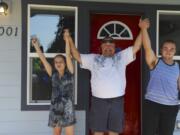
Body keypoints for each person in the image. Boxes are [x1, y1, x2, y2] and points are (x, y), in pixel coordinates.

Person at [65, 19, 148, 135]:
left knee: (114, 131)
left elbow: (137, 47)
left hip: (117, 101)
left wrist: (142, 29)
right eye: (105, 45)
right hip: (98, 101)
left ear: (114, 48)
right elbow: (76, 55)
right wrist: (69, 40)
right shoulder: (93, 59)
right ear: (101, 47)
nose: (108, 47)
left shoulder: (121, 57)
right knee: (98, 131)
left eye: (111, 45)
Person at [31, 29, 76, 135]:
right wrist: (36, 46)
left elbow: (68, 53)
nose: (58, 63)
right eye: (56, 62)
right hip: (55, 109)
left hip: (68, 110)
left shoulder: (70, 72)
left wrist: (67, 40)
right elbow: (42, 59)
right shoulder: (53, 74)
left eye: (61, 61)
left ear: (65, 63)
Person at [140, 19, 180, 135]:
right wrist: (143, 29)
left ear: (175, 51)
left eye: (171, 49)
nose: (168, 51)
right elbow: (147, 48)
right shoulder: (155, 62)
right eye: (166, 48)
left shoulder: (178, 68)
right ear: (161, 50)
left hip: (171, 107)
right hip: (153, 104)